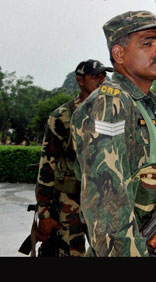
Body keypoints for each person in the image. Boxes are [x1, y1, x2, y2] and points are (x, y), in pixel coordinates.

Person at [71, 10, 156, 257]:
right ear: (119, 54)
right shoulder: (109, 104)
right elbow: (106, 202)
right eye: (148, 43)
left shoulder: (143, 105)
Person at [34, 59, 112, 256]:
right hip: (70, 203)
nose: (101, 80)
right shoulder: (62, 116)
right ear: (80, 80)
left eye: (104, 75)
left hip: (103, 202)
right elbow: (47, 165)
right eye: (95, 76)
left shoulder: (112, 114)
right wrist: (44, 213)